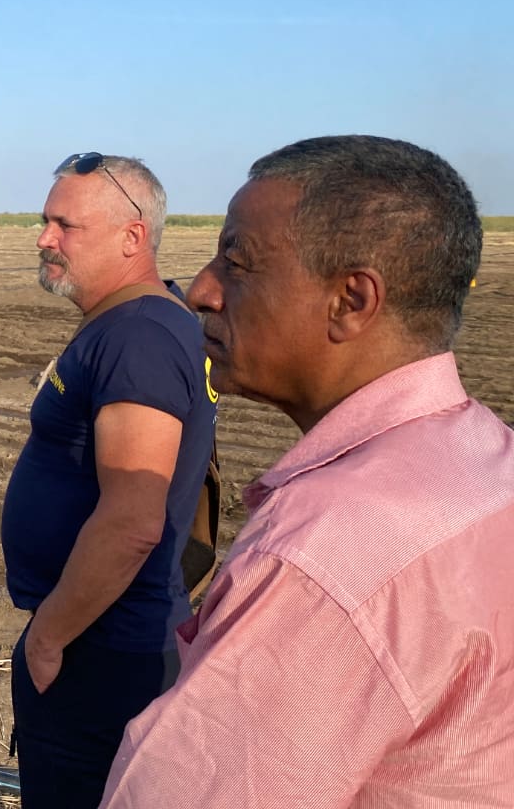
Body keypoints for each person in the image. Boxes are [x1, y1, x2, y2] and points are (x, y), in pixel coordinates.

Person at [102, 135, 514, 807]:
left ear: (351, 301)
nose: (203, 290)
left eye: (236, 262)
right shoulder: (486, 455)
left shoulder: (326, 558)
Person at [1, 152, 218, 807]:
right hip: (105, 642)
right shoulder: (137, 325)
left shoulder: (138, 338)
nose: (44, 239)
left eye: (65, 225)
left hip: (102, 652)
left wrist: (48, 638)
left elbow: (131, 521)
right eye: (45, 222)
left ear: (132, 237)